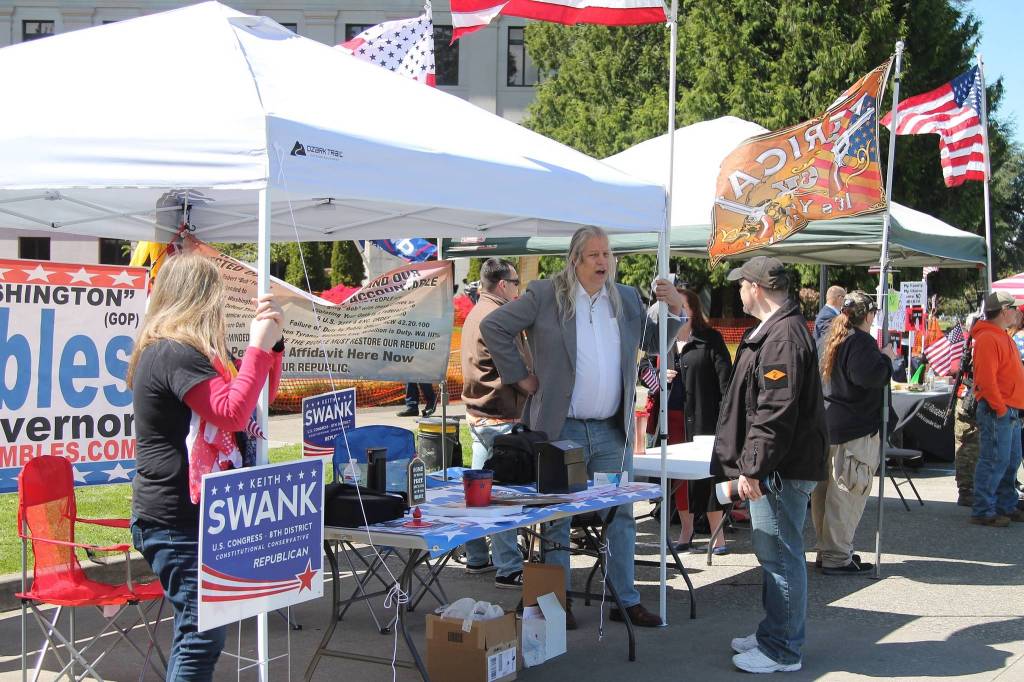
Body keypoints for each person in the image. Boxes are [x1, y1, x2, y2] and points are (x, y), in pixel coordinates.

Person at [481, 226, 683, 630]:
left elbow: (654, 341)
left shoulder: (624, 298)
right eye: (593, 255)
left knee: (621, 515)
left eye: (607, 254)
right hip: (561, 431)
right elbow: (494, 327)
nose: (603, 262)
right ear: (574, 259)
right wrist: (519, 376)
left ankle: (625, 599)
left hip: (612, 431)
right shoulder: (544, 294)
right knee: (556, 519)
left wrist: (674, 306)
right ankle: (558, 603)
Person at [127, 253, 285, 681]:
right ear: (199, 298)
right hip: (174, 517)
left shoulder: (197, 352)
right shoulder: (173, 352)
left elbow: (258, 401)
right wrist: (257, 346)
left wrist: (272, 348)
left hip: (197, 512)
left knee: (200, 629)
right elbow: (231, 412)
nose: (224, 306)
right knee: (202, 632)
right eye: (218, 296)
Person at [711, 256, 827, 674]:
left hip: (780, 469)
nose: (738, 291)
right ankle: (773, 633)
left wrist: (753, 468)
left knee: (779, 556)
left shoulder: (782, 337)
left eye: (741, 285)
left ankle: (782, 648)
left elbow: (774, 412)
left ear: (755, 288)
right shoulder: (778, 331)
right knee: (775, 554)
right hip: (779, 466)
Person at [813, 291, 896, 575]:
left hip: (829, 425)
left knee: (827, 492)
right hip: (854, 428)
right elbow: (868, 376)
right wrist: (886, 359)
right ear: (869, 315)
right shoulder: (860, 342)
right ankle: (836, 555)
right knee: (848, 491)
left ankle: (830, 551)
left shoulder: (830, 338)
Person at [647, 285, 732, 554]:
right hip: (670, 417)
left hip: (704, 421)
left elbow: (725, 382)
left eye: (681, 306)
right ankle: (686, 529)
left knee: (708, 478)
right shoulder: (661, 341)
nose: (675, 311)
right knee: (677, 479)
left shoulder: (710, 339)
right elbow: (643, 375)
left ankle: (718, 536)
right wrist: (658, 379)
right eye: (670, 307)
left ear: (693, 310)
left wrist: (725, 422)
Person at [460, 258, 529, 588]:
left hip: (480, 416)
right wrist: (534, 382)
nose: (518, 289)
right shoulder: (499, 316)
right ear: (503, 284)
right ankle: (508, 566)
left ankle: (476, 557)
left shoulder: (476, 311)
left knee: (479, 495)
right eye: (516, 283)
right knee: (500, 498)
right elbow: (517, 368)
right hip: (499, 417)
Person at [968, 291, 1024, 527]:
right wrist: (1001, 408)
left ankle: (1004, 505)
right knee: (994, 460)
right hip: (998, 410)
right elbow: (986, 380)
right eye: (1014, 308)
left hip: (1007, 410)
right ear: (1004, 311)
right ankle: (983, 509)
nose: (1017, 313)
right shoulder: (989, 338)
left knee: (1009, 460)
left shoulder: (998, 336)